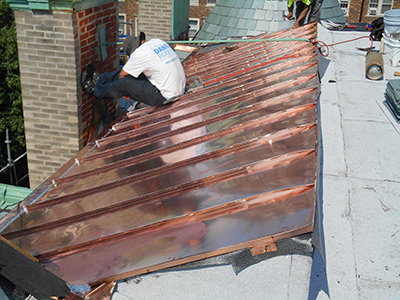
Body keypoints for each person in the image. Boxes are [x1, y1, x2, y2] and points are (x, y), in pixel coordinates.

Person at [82, 34, 186, 107]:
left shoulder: (139, 53)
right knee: (129, 73)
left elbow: (122, 76)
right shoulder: (157, 42)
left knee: (124, 83)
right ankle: (100, 79)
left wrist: (126, 91)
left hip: (165, 96)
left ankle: (94, 90)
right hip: (178, 89)